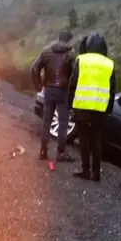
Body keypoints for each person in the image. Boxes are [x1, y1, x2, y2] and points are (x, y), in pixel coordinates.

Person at [68, 32, 115, 182]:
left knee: (83, 140)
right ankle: (96, 173)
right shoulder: (109, 64)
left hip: (82, 107)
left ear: (88, 45)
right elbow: (112, 90)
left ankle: (85, 170)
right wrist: (108, 110)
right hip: (100, 109)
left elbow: (73, 83)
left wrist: (70, 105)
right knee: (96, 141)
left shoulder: (81, 60)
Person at [31, 31, 76, 162]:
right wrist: (71, 91)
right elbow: (74, 75)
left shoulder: (46, 51)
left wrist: (39, 86)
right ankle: (61, 153)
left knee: (46, 122)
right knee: (63, 124)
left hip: (49, 90)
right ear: (68, 40)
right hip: (63, 92)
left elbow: (34, 69)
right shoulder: (71, 53)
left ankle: (43, 151)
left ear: (58, 38)